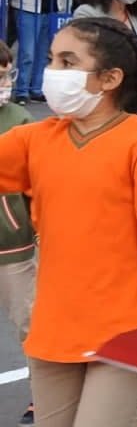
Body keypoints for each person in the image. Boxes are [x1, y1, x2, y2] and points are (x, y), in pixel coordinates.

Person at [0, 18, 137, 425]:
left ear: (109, 78)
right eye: (53, 59)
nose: (52, 71)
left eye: (67, 61)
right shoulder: (37, 139)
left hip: (125, 333)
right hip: (53, 331)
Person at [0, 44, 36, 425]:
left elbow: (36, 184)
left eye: (7, 76)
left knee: (30, 324)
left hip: (13, 244)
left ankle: (42, 394)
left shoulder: (21, 120)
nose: (4, 84)